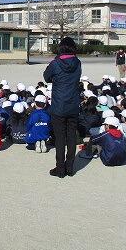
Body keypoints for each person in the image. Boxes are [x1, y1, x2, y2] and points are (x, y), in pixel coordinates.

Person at [43, 36, 82, 178]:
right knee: (71, 137)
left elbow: (46, 77)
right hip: (73, 104)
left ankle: (60, 169)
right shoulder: (77, 62)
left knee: (60, 138)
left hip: (59, 105)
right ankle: (70, 168)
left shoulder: (56, 63)